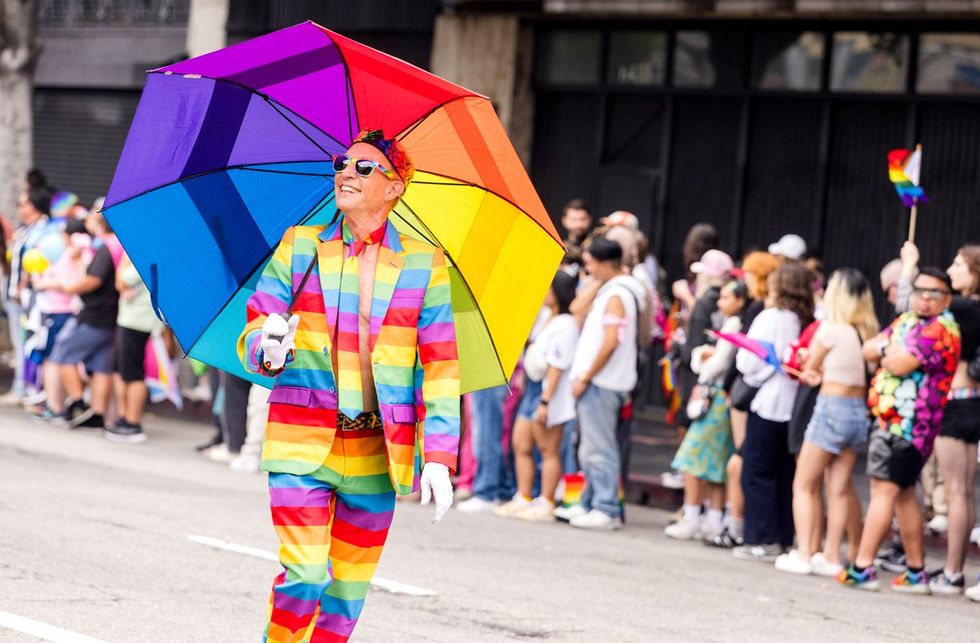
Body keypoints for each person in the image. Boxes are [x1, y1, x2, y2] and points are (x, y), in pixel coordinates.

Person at [237, 129, 458, 642]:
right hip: (301, 436)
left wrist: (440, 456)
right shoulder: (301, 245)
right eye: (341, 163)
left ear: (394, 187)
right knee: (306, 575)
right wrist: (268, 348)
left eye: (363, 167)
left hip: (378, 451)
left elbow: (441, 365)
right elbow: (256, 326)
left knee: (346, 593)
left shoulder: (425, 263)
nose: (345, 173)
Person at [838, 267, 960, 594]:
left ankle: (863, 566)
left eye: (934, 293)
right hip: (890, 422)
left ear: (947, 299)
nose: (925, 298)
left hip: (909, 427)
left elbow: (898, 363)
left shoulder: (942, 330)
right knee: (904, 495)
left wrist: (885, 349)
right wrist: (887, 349)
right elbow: (868, 349)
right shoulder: (907, 321)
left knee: (884, 491)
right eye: (920, 291)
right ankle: (916, 570)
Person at [775, 269, 878, 577]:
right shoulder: (867, 332)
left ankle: (805, 553)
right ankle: (832, 556)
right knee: (839, 487)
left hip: (831, 409)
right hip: (857, 412)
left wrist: (809, 367)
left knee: (804, 484)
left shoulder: (830, 329)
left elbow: (809, 369)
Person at [561, 237, 644, 531]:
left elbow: (610, 343)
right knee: (591, 448)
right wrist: (599, 280)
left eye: (590, 263)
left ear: (604, 263)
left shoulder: (618, 294)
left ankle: (605, 507)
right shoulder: (613, 289)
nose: (587, 269)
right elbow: (576, 307)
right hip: (604, 381)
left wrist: (586, 377)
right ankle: (591, 503)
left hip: (602, 382)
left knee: (600, 448)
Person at [733, 263, 813, 562]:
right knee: (785, 472)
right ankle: (782, 536)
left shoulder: (770, 317)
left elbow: (748, 362)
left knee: (757, 470)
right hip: (797, 405)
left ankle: (761, 537)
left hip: (769, 401)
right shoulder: (809, 319)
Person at [708, 250, 781, 548]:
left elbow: (748, 357)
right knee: (743, 461)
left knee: (742, 461)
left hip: (750, 391)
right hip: (748, 391)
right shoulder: (761, 309)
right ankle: (736, 523)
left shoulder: (764, 312)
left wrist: (729, 386)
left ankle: (737, 524)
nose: (746, 278)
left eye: (750, 274)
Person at [495, 272, 579, 521]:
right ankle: (524, 495)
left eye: (549, 289)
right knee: (521, 442)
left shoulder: (566, 323)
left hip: (546, 390)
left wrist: (546, 400)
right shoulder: (544, 317)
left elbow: (557, 365)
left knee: (547, 448)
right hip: (531, 386)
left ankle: (546, 500)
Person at [666, 279, 745, 541]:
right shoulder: (737, 323)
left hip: (715, 397)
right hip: (725, 399)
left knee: (691, 456)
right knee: (717, 464)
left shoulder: (733, 325)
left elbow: (718, 362)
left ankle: (692, 516)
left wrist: (701, 358)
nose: (720, 302)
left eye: (726, 298)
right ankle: (713, 520)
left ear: (740, 301)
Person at [931, 245, 980, 595]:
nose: (951, 270)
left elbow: (909, 303)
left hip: (957, 401)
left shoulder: (962, 307)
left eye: (958, 264)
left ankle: (952, 571)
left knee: (956, 491)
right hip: (972, 402)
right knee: (963, 490)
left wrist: (909, 265)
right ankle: (954, 569)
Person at [49, 220, 120, 430]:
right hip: (111, 316)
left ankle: (78, 402)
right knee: (101, 365)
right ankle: (97, 413)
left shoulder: (107, 248)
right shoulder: (121, 247)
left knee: (63, 351)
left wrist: (72, 287)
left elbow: (94, 279)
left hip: (94, 316)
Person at [1, 186, 52, 404]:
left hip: (29, 298)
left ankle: (24, 388)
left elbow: (38, 262)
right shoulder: (24, 230)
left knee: (27, 342)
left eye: (23, 204)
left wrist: (22, 285)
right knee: (20, 342)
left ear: (34, 206)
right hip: (14, 295)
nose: (20, 208)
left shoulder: (44, 230)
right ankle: (25, 386)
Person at [106, 250, 163, 442]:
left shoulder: (146, 253)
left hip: (139, 321)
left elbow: (121, 281)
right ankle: (124, 418)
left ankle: (133, 422)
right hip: (131, 319)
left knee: (133, 372)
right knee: (121, 369)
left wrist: (125, 258)